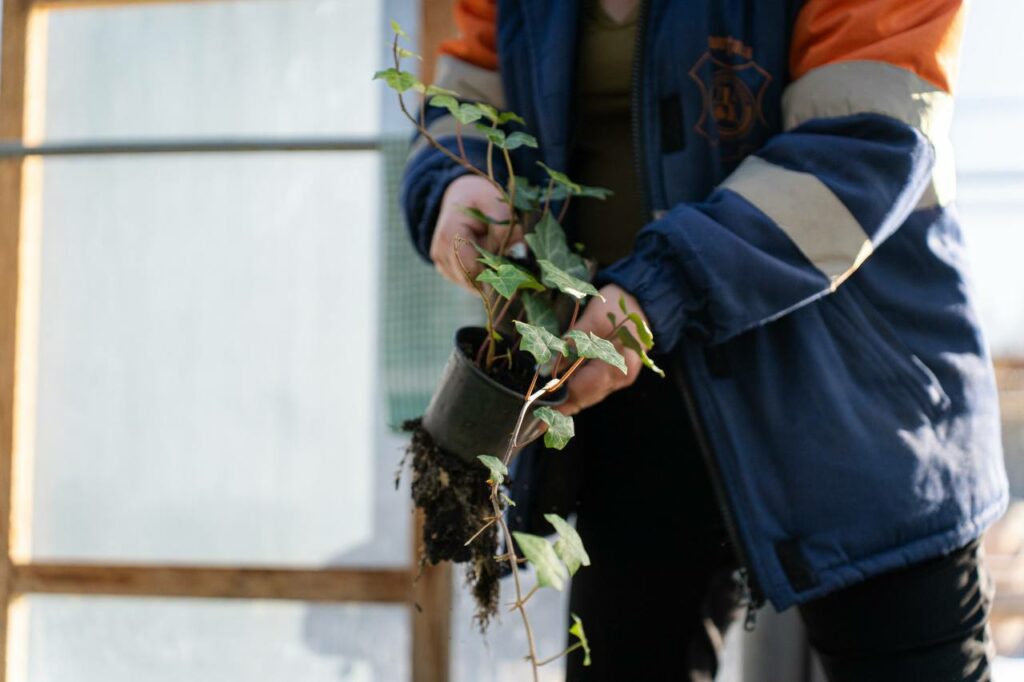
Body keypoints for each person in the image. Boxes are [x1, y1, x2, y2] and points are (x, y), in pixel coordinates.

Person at [400, 1, 1008, 680]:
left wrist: (661, 289)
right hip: (630, 401)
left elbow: (863, 142)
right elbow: (473, 85)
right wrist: (455, 183)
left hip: (853, 401)